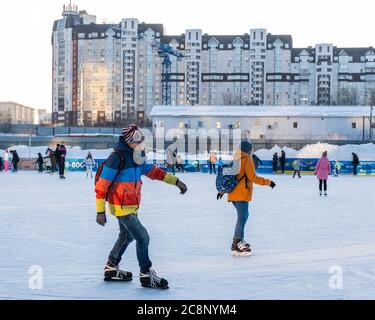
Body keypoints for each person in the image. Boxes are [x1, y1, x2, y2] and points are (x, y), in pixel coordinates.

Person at [95, 124, 188, 289]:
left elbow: (152, 171)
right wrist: (100, 211)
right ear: (129, 141)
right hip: (121, 206)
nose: (140, 144)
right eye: (137, 141)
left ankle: (111, 267)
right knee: (142, 237)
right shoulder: (117, 158)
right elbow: (102, 186)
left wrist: (175, 181)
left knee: (127, 236)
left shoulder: (137, 155)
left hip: (131, 205)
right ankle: (146, 275)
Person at [217, 141, 276, 256]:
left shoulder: (236, 158)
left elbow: (230, 178)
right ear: (249, 150)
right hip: (241, 194)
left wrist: (222, 191)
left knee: (244, 215)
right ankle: (237, 242)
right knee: (242, 216)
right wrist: (268, 182)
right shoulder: (247, 159)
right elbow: (253, 177)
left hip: (232, 194)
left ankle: (240, 239)